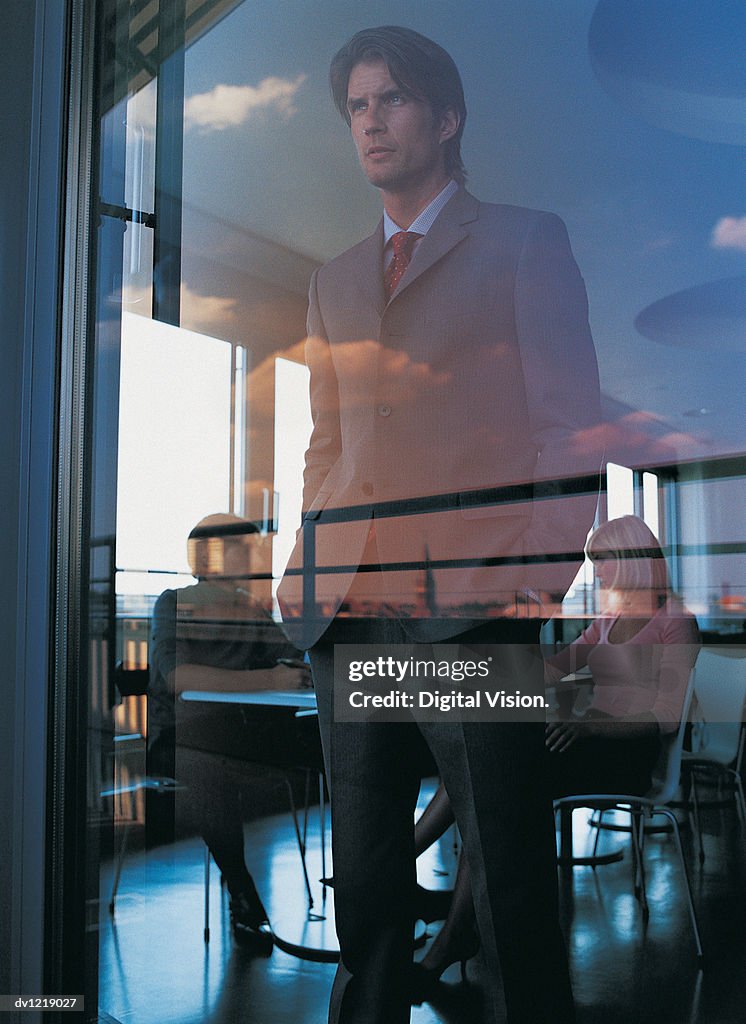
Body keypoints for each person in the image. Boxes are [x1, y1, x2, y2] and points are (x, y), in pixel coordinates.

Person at [278, 25, 602, 1024]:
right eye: (358, 106)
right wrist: (303, 566)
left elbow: (568, 436)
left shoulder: (522, 239)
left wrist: (522, 586)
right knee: (368, 889)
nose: (370, 121)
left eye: (392, 100)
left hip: (465, 612)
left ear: (446, 117)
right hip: (349, 615)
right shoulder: (331, 280)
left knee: (503, 880)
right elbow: (328, 443)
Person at [407, 515, 700, 1000]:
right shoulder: (607, 621)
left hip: (626, 753)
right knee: (492, 772)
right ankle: (451, 920)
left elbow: (666, 717)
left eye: (601, 563)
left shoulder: (676, 622)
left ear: (630, 561)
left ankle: (411, 866)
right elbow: (553, 671)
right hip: (583, 741)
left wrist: (586, 726)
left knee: (497, 776)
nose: (597, 574)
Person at [149, 514, 313, 948]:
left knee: (347, 749)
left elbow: (293, 659)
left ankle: (385, 888)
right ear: (211, 557)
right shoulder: (174, 602)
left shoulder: (249, 608)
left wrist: (296, 671)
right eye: (245, 547)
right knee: (207, 769)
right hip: (183, 740)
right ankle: (242, 893)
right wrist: (272, 680)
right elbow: (178, 677)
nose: (255, 554)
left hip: (243, 737)